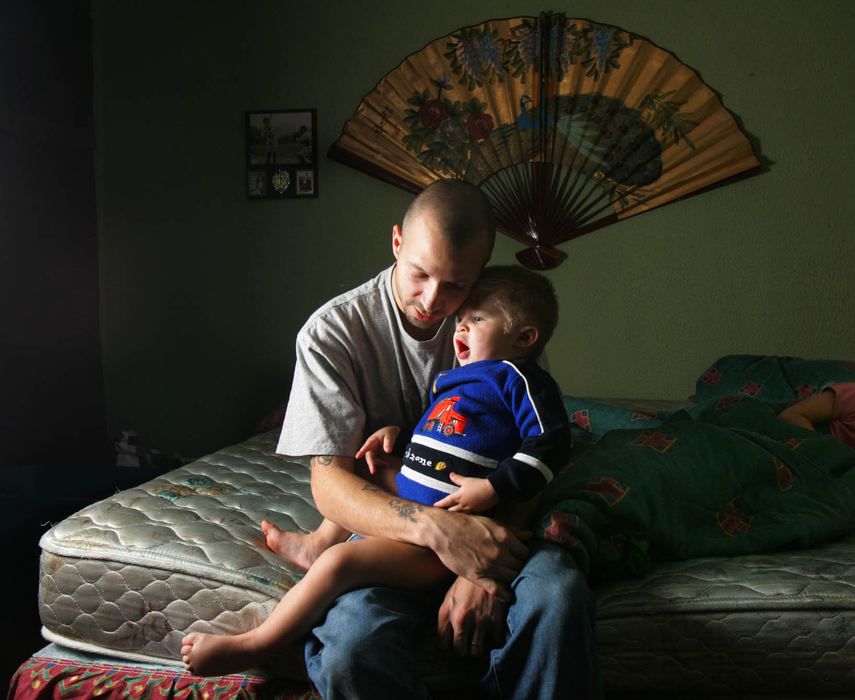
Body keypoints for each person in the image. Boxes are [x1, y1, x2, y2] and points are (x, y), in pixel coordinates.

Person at [214, 179, 599, 699]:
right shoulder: (332, 333)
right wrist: (440, 532)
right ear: (397, 242)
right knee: (351, 645)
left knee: (559, 594)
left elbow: (532, 457)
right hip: (392, 531)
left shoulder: (498, 321)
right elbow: (331, 489)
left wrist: (480, 573)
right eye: (420, 274)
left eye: (457, 286)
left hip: (491, 520)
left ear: (481, 273)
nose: (433, 301)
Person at [180, 266, 571, 676]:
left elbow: (552, 445)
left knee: (340, 565)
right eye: (460, 320)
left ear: (524, 338)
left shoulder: (522, 379)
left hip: (449, 531)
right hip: (419, 494)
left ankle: (255, 645)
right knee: (361, 473)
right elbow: (442, 437)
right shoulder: (458, 379)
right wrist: (397, 439)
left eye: (476, 319)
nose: (460, 328)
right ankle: (317, 542)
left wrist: (495, 488)